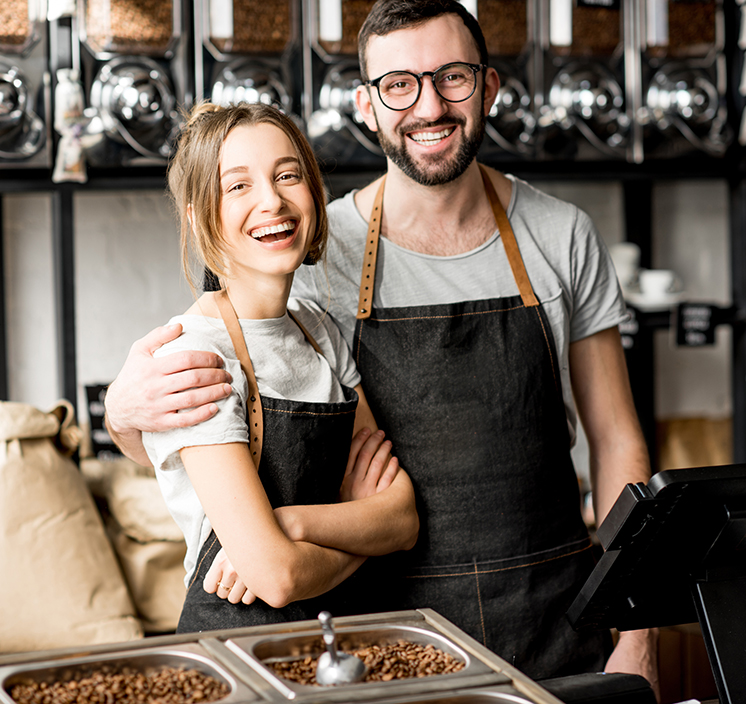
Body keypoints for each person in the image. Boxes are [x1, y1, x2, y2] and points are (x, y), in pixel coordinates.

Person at [104, 0, 658, 691]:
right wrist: (122, 415)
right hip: (386, 636)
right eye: (399, 84)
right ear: (366, 106)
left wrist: (638, 631)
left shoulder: (562, 235)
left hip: (555, 618)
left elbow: (618, 442)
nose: (428, 106)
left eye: (452, 77)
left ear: (488, 87)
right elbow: (211, 433)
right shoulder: (311, 249)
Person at [127, 101, 418, 632]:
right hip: (241, 651)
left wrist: (290, 524)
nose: (272, 200)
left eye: (288, 175)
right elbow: (277, 578)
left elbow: (401, 520)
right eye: (238, 186)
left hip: (341, 638)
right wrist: (356, 531)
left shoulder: (317, 329)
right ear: (198, 215)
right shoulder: (197, 358)